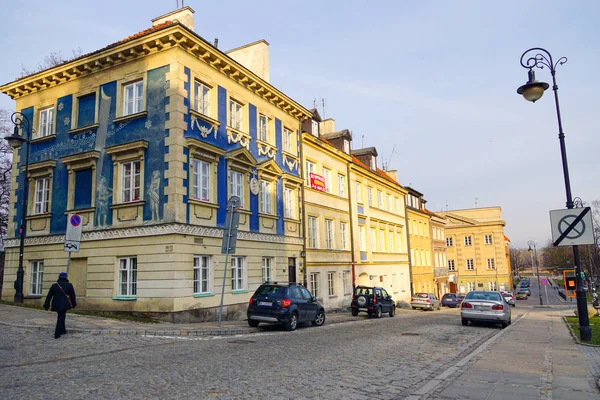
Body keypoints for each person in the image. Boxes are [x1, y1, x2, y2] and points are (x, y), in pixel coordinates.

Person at [43, 272, 77, 339]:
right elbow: (73, 296)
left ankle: (63, 330)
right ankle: (57, 333)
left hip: (56, 304)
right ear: (66, 277)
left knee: (61, 316)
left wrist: (46, 304)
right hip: (65, 304)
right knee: (61, 317)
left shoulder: (54, 285)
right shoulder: (69, 285)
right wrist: (74, 304)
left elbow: (49, 296)